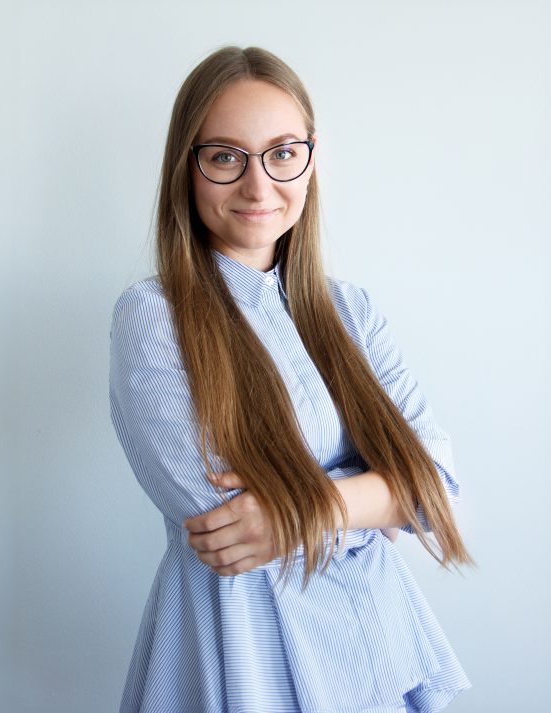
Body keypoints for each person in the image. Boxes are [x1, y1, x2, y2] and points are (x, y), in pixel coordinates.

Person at [109, 45, 476, 713]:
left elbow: (439, 483)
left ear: (310, 160)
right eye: (226, 157)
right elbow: (224, 523)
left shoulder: (351, 310)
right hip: (244, 654)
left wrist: (304, 508)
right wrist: (382, 492)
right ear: (186, 169)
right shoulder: (153, 317)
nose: (258, 186)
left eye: (282, 153)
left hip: (375, 650)